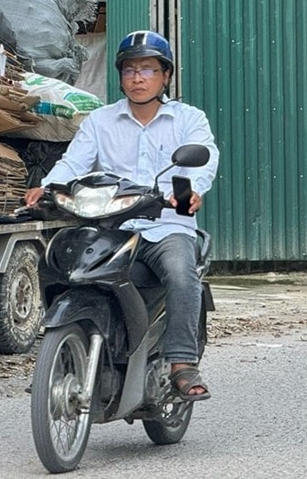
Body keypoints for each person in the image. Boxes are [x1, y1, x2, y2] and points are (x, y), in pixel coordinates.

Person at [23, 30, 220, 401]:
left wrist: (189, 192)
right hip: (112, 227)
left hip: (166, 227)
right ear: (120, 75)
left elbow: (199, 164)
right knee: (63, 265)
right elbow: (74, 162)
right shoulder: (100, 121)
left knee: (181, 273)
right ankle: (64, 354)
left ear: (165, 76)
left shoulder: (188, 119)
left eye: (147, 69)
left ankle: (181, 362)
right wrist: (47, 188)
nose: (138, 78)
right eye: (130, 70)